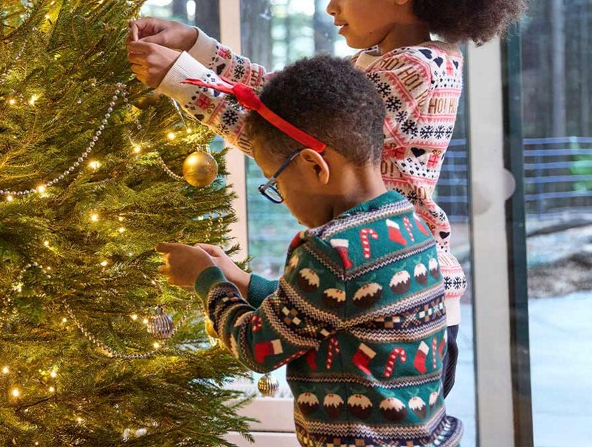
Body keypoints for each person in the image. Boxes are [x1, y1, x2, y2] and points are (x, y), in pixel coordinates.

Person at [128, 0, 527, 396]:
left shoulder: (418, 69)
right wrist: (198, 48)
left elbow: (295, 139)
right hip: (366, 276)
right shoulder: (381, 60)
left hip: (395, 283)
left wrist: (181, 82)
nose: (330, 6)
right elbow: (288, 100)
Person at [156, 56, 461, 446]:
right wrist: (241, 280)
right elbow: (323, 310)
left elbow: (258, 347)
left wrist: (207, 281)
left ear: (315, 166)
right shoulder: (407, 222)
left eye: (275, 182)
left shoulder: (330, 249)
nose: (279, 195)